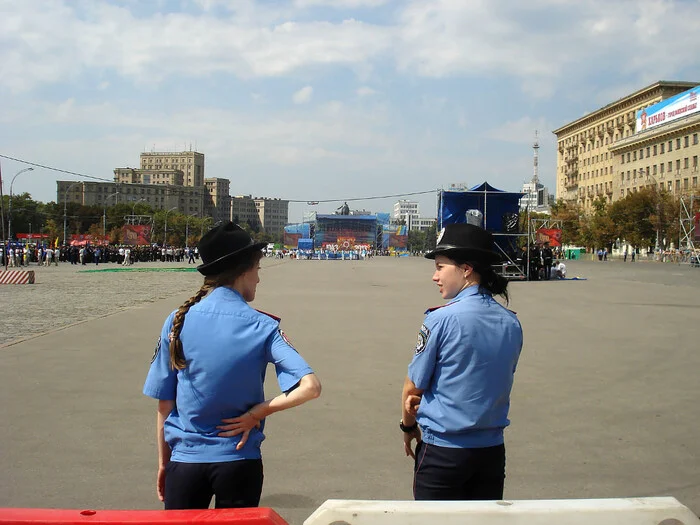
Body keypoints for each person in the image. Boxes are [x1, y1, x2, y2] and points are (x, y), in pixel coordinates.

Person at [143, 222, 321, 510]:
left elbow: (165, 404)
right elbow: (310, 387)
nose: (259, 280)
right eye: (258, 270)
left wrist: (164, 463)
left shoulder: (177, 320)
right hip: (238, 461)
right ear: (243, 270)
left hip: (185, 463)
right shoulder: (263, 325)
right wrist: (258, 412)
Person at [400, 223, 523, 501]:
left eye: (441, 266)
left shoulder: (440, 319)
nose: (435, 276)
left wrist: (408, 426)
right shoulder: (511, 321)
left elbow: (412, 388)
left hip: (443, 453)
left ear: (466, 269)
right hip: (491, 454)